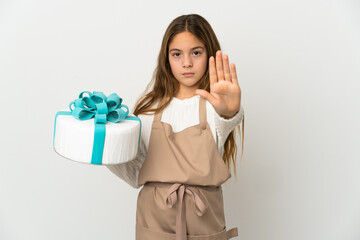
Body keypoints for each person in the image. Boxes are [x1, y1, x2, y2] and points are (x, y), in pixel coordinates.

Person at [107, 13, 245, 240]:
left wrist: (230, 110)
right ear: (166, 58)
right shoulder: (148, 110)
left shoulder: (214, 107)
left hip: (204, 221)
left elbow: (227, 118)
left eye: (196, 53)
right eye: (177, 54)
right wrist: (106, 145)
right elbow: (134, 174)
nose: (187, 62)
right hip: (154, 222)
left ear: (209, 54)